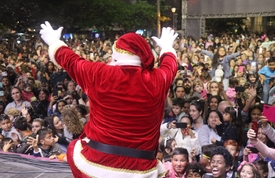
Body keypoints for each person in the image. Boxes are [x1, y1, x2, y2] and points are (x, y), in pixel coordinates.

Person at [40, 22, 178, 177]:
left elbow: (71, 60)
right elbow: (170, 65)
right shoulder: (158, 80)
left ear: (116, 56)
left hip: (98, 164)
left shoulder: (99, 74)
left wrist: (54, 41)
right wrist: (167, 47)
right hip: (141, 169)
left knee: (74, 147)